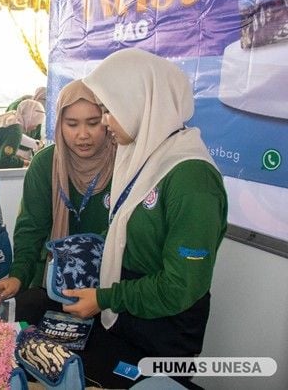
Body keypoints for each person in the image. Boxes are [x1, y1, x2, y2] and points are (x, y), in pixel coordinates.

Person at [62, 48, 227, 388]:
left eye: (109, 110)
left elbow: (179, 286)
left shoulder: (191, 178)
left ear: (142, 102)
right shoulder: (140, 158)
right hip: (126, 316)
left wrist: (105, 298)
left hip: (165, 332)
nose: (104, 121)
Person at [0, 80, 116, 325]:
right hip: (52, 286)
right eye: (71, 124)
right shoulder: (46, 164)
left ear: (108, 121)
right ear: (59, 124)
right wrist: (18, 276)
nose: (83, 135)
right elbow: (31, 228)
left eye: (93, 123)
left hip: (109, 293)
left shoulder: (124, 162)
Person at [0, 99, 46, 169]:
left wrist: (19, 159)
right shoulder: (15, 129)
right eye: (36, 123)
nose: (35, 128)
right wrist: (26, 163)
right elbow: (4, 161)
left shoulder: (10, 117)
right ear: (30, 117)